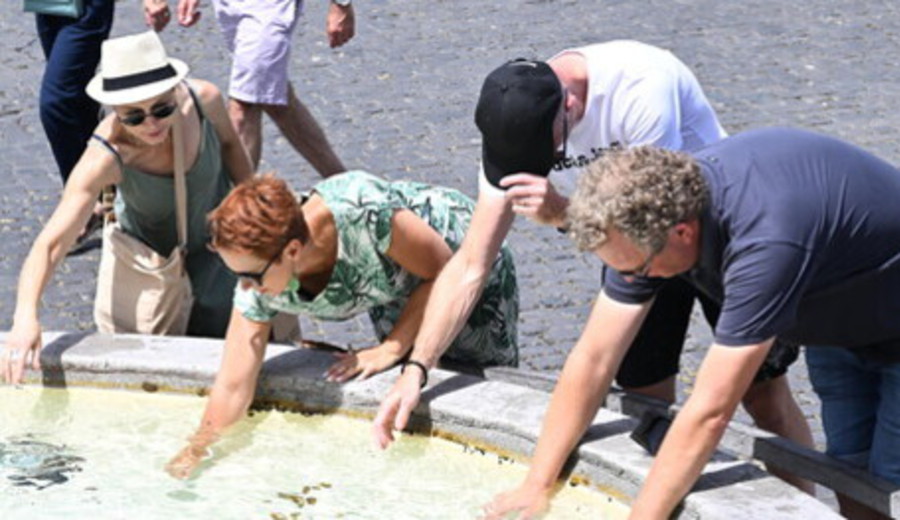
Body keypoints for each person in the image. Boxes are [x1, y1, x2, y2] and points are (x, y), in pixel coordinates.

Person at [371, 40, 813, 489]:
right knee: (645, 404)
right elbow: (470, 264)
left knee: (764, 395)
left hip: (705, 234)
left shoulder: (641, 87)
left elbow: (655, 224)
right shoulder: (513, 124)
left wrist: (564, 212)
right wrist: (417, 369)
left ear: (571, 102)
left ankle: (804, 501)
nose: (545, 167)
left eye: (551, 155)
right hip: (630, 247)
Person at [488, 128, 900, 520]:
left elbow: (709, 411)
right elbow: (595, 356)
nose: (633, 279)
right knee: (853, 472)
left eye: (639, 269)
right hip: (843, 322)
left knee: (890, 477)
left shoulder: (764, 241)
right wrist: (536, 482)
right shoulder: (637, 218)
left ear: (682, 232)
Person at [164, 171, 518, 477]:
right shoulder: (259, 278)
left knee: (471, 380)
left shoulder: (361, 209)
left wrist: (392, 347)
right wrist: (198, 450)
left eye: (250, 275)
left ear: (290, 251)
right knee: (409, 388)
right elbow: (233, 384)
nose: (245, 288)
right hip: (391, 288)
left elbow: (444, 271)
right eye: (235, 273)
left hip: (463, 263)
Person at [1, 31, 254, 385]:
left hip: (223, 266)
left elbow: (230, 148)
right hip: (153, 281)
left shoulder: (204, 101)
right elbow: (51, 243)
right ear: (114, 110)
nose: (151, 124)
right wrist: (25, 317)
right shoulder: (105, 156)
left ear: (175, 92)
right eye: (133, 116)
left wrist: (255, 216)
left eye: (161, 109)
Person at [152, 0, 353, 175]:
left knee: (244, 104)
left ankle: (235, 207)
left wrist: (341, 4)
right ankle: (349, 188)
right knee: (274, 98)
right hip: (229, 5)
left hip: (269, 7)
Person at [33, 0, 115, 242]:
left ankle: (80, 202)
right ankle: (109, 191)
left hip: (87, 7)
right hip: (48, 5)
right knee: (77, 102)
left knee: (56, 102)